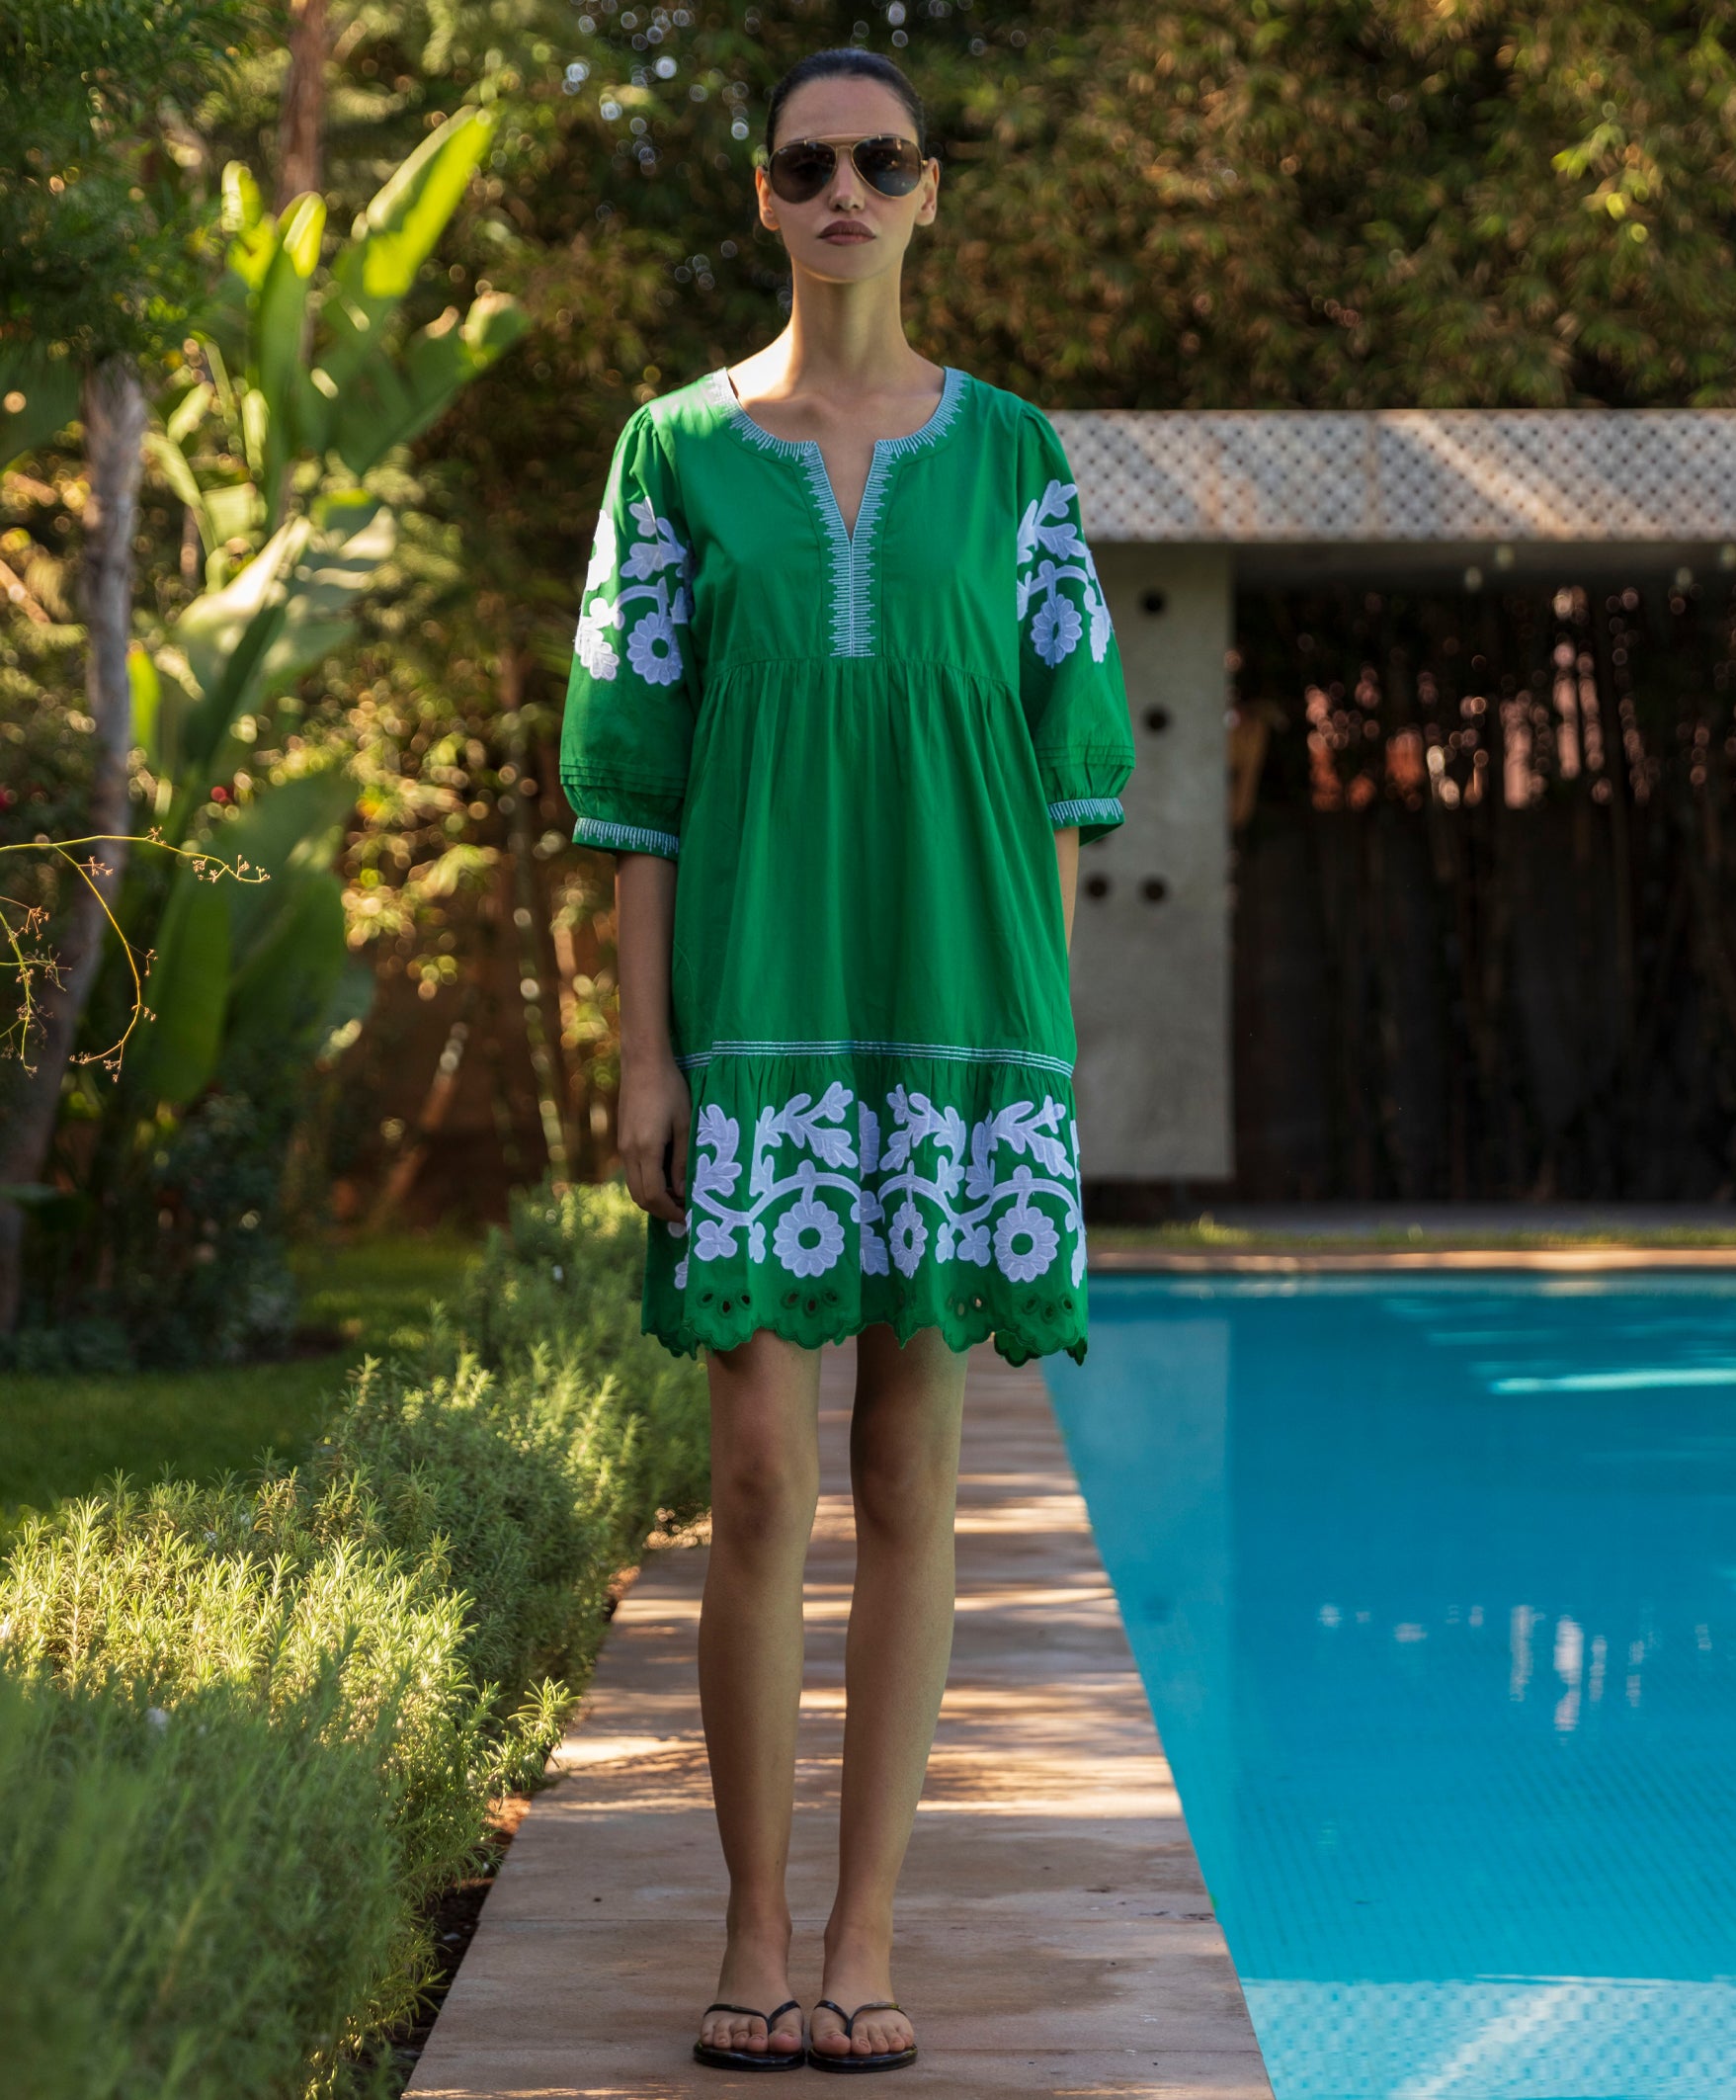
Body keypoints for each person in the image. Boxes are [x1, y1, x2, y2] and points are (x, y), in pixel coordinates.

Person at [559, 45, 1134, 2074]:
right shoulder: (670, 454)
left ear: (927, 192)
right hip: (756, 1013)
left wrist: (1034, 1063)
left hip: (962, 1018)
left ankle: (863, 1935)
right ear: (760, 195)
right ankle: (746, 1926)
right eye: (807, 162)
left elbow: (1067, 776)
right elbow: (626, 784)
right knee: (747, 1473)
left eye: (878, 160)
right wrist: (644, 1057)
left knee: (909, 1469)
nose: (842, 190)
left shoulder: (1017, 460)